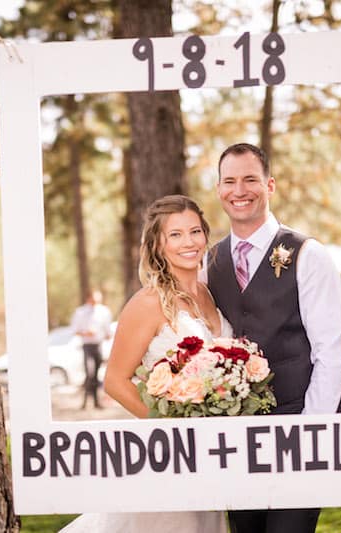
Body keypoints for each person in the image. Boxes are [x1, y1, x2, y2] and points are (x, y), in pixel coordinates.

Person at [60, 194, 228, 533]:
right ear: (158, 245)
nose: (189, 242)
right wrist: (168, 427)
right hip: (169, 452)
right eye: (175, 235)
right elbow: (115, 381)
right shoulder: (148, 302)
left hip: (211, 455)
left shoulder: (210, 294)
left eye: (195, 231)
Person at [206, 143, 341, 533]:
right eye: (229, 181)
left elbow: (330, 352)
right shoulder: (209, 261)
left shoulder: (307, 254)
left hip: (296, 425)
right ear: (219, 189)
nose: (239, 190)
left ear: (269, 185)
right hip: (235, 440)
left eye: (250, 179)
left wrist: (310, 432)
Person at [70, 289, 113, 409]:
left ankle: (95, 402)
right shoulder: (80, 312)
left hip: (98, 346)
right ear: (89, 298)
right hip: (87, 346)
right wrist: (86, 333)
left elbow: (108, 331)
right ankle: (85, 400)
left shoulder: (104, 311)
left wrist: (107, 335)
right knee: (89, 373)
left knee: (96, 375)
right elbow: (74, 330)